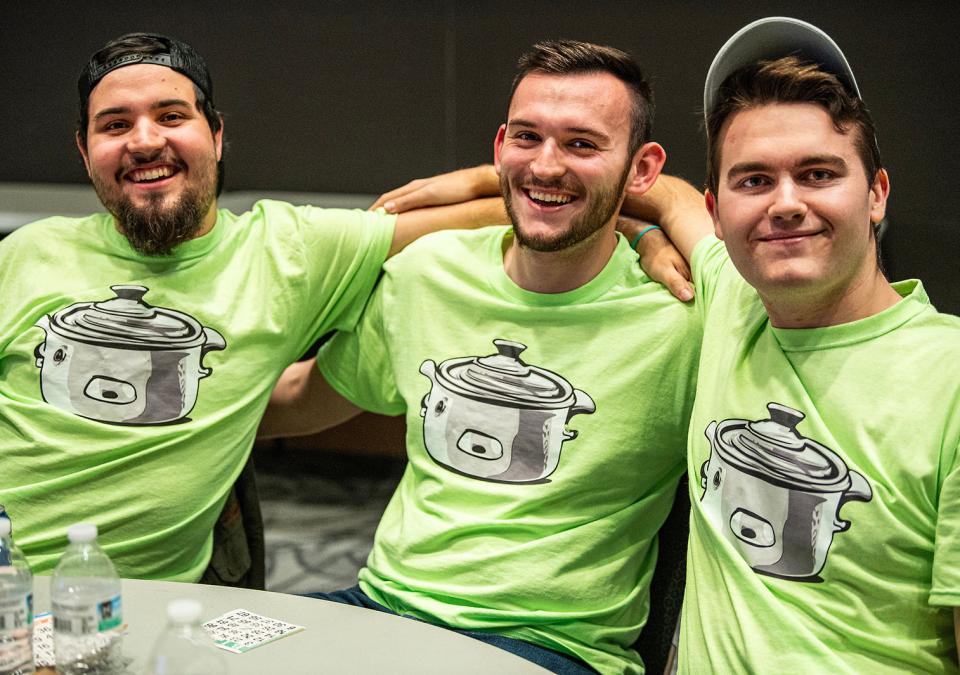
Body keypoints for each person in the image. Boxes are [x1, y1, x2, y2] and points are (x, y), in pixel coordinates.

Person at [0, 32, 507, 584]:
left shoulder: (287, 251)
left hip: (147, 612)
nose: (144, 142)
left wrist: (483, 176)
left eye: (171, 116)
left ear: (216, 135)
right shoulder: (27, 252)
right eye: (115, 125)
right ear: (84, 150)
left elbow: (528, 210)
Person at [262, 40, 703, 674]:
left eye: (582, 144)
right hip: (380, 608)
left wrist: (655, 225)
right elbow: (308, 399)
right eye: (528, 138)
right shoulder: (427, 273)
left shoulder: (680, 315)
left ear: (642, 170)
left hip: (547, 648)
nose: (546, 166)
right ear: (499, 148)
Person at [618, 17, 960, 672]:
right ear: (718, 216)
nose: (785, 203)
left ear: (876, 194)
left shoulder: (949, 380)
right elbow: (626, 185)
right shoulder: (731, 295)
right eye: (754, 181)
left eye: (818, 173)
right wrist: (642, 234)